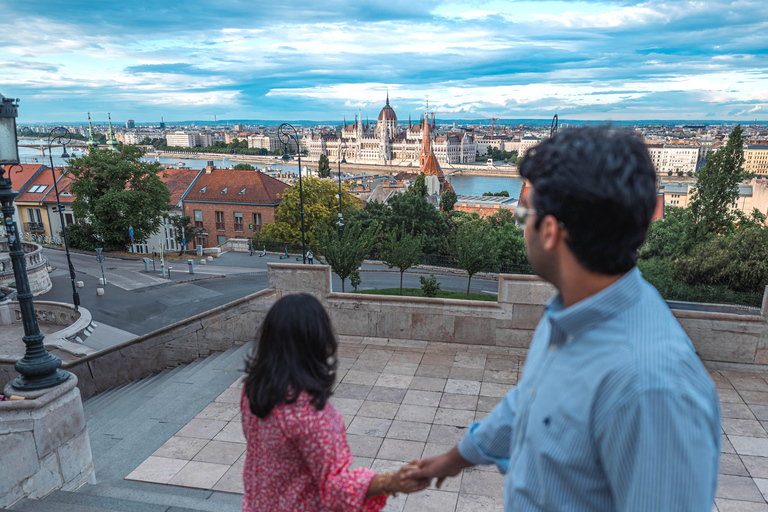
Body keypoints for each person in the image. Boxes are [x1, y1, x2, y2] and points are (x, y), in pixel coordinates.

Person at [407, 126, 721, 511]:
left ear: (551, 232)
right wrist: (456, 459)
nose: (521, 223)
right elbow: (531, 402)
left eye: (525, 212)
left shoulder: (652, 389)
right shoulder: (573, 310)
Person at [241, 293, 427, 511]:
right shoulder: (309, 415)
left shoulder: (252, 390)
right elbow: (334, 488)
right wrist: (390, 482)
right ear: (318, 341)